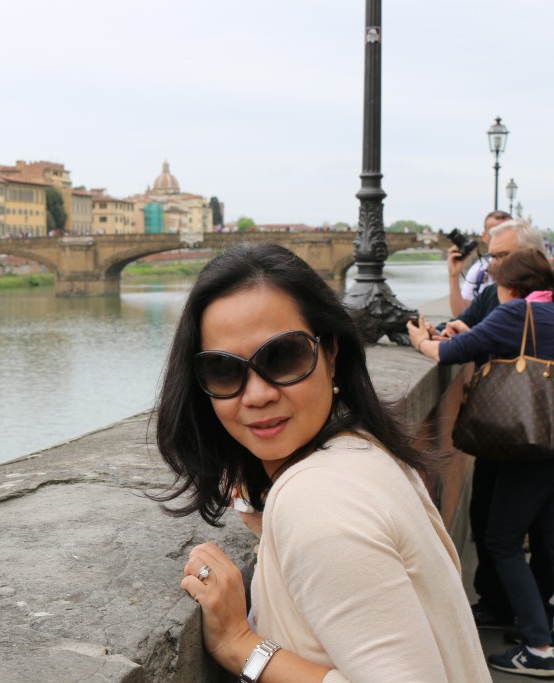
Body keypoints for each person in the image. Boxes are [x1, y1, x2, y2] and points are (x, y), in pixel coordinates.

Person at [154, 242, 488, 682]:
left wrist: (241, 644)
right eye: (223, 369)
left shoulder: (315, 501)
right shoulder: (364, 447)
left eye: (284, 356)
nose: (256, 395)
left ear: (331, 354)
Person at [409, 248, 554, 677]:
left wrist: (420, 339)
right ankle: (538, 622)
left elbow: (448, 354)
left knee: (502, 541)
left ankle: (539, 648)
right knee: (545, 538)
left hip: (531, 445)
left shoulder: (516, 315)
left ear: (509, 287)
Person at [448, 210, 512, 316]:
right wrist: (453, 276)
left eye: (505, 232)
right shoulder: (479, 270)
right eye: (494, 232)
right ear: (484, 236)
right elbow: (462, 316)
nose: (499, 237)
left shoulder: (527, 271)